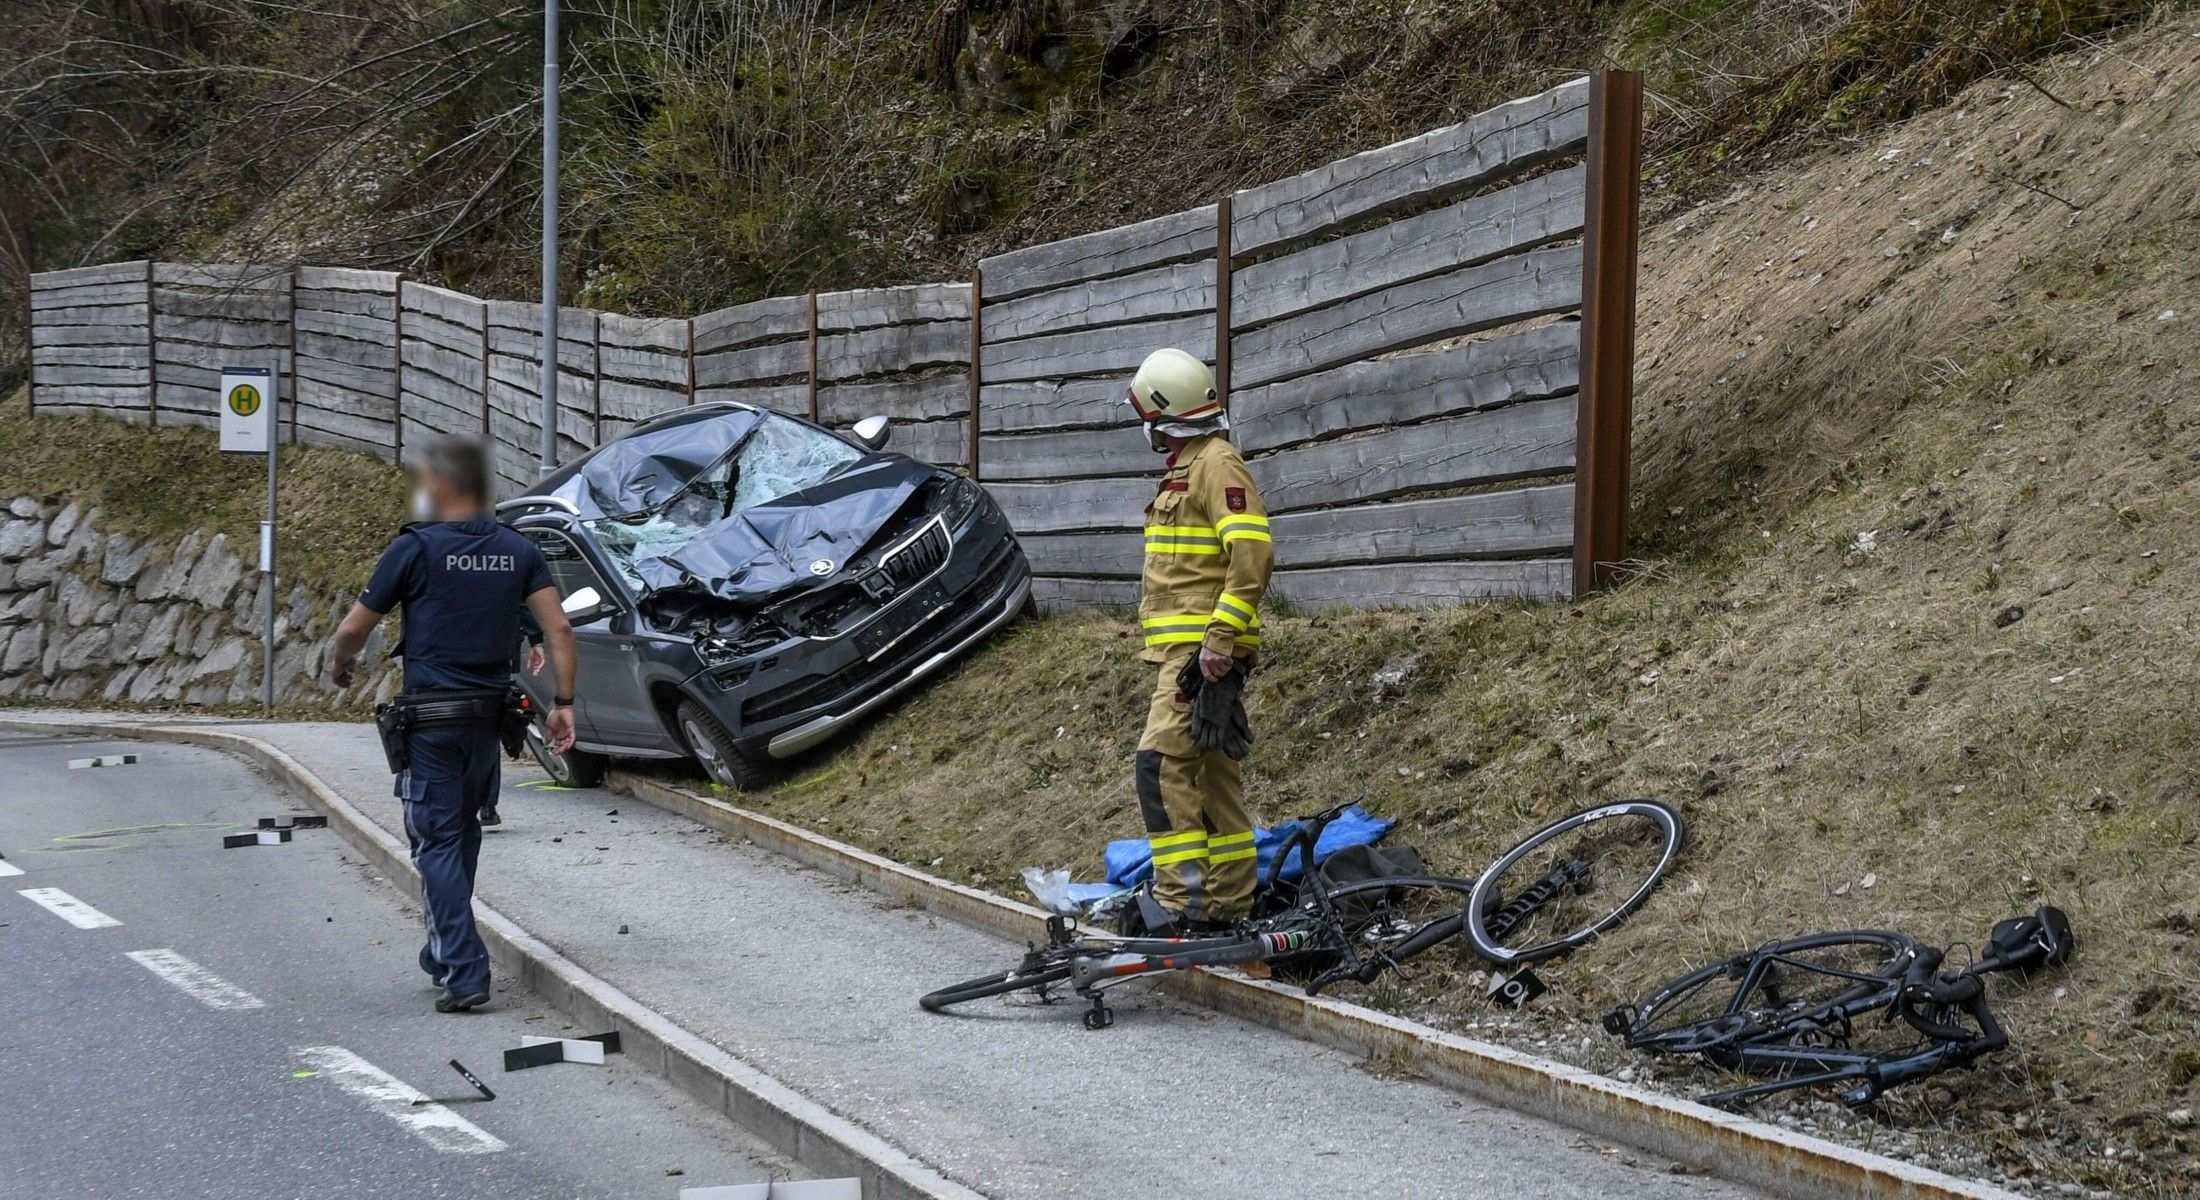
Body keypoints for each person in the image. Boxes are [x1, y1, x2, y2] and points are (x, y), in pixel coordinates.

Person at [327, 437, 578, 1013]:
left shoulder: (413, 548)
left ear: (440, 484)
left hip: (433, 718)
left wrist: (341, 663)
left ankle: (464, 970)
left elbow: (354, 628)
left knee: (436, 839)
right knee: (460, 831)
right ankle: (444, 950)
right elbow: (558, 630)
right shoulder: (518, 550)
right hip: (490, 718)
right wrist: (563, 702)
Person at [1124, 348, 1274, 933]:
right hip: (1194, 652)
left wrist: (1218, 641)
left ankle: (1178, 903)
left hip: (1200, 656)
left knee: (1159, 765)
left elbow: (1253, 554)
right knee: (1212, 778)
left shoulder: (1217, 465)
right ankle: (1228, 905)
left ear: (1162, 415)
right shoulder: (1190, 468)